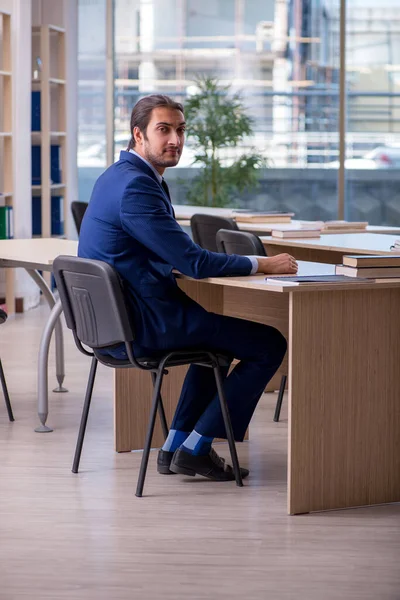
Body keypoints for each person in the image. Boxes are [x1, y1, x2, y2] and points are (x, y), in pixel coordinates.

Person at [78, 94, 298, 482]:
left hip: (120, 322)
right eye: (163, 130)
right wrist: (263, 263)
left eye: (180, 130)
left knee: (217, 345)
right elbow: (193, 263)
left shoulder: (118, 176)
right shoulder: (136, 187)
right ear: (138, 135)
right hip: (143, 324)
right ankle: (195, 447)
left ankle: (174, 446)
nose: (175, 140)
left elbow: (160, 252)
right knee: (270, 344)